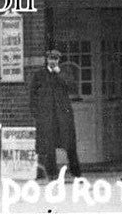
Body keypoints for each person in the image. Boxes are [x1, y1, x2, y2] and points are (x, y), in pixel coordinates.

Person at [29, 48, 81, 180]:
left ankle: (76, 173)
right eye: (51, 58)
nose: (53, 61)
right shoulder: (39, 75)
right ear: (47, 60)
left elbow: (72, 88)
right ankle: (52, 174)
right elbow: (33, 95)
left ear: (59, 60)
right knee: (48, 145)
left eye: (56, 59)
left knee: (69, 144)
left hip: (62, 116)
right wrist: (36, 114)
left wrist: (60, 74)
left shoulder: (64, 73)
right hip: (47, 116)